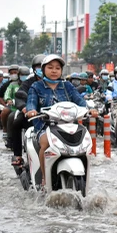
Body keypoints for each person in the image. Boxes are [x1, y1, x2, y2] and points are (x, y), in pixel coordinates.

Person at [25, 55, 94, 186]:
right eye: (50, 67)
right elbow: (31, 102)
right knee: (45, 143)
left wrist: (90, 109)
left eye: (57, 68)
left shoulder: (67, 86)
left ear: (61, 70)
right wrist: (31, 110)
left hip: (69, 125)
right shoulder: (36, 86)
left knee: (84, 143)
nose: (54, 70)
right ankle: (45, 179)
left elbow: (79, 100)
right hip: (46, 126)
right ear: (43, 69)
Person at [9, 54, 46, 164]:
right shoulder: (29, 83)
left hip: (54, 116)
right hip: (33, 114)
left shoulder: (61, 83)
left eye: (44, 66)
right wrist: (25, 107)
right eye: (39, 67)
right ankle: (17, 155)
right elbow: (20, 95)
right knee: (16, 123)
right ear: (34, 69)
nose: (42, 69)